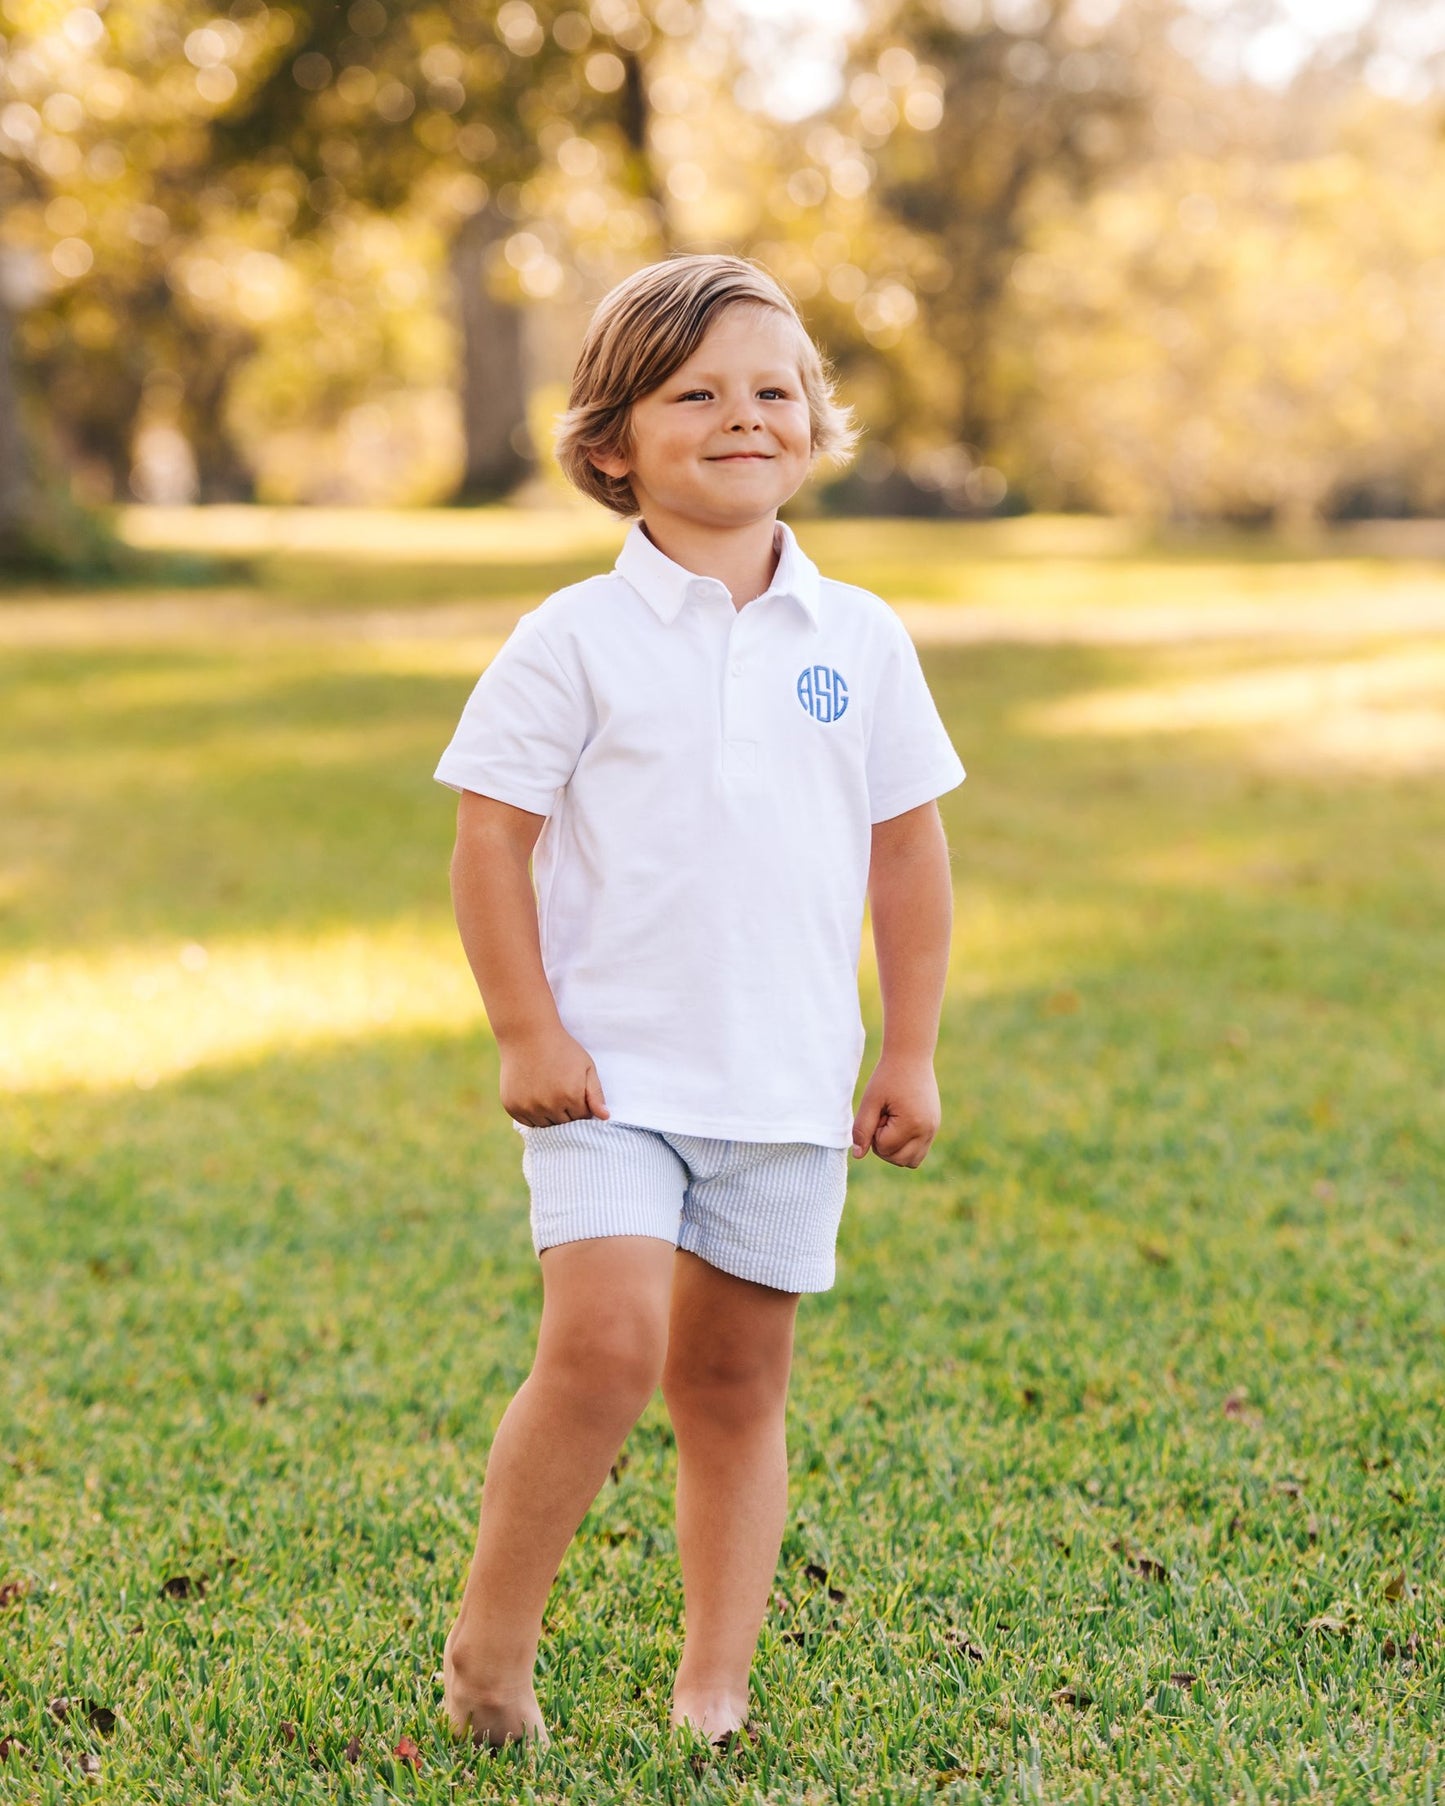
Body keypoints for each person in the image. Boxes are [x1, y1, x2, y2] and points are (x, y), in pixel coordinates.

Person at [434, 253, 965, 1752]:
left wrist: (909, 1048)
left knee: (735, 1382)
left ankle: (712, 1686)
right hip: (611, 1077)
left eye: (773, 390)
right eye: (697, 393)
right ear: (612, 443)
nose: (745, 416)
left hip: (787, 1086)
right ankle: (491, 1649)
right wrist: (528, 1030)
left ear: (812, 423)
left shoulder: (856, 639)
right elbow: (491, 835)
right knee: (602, 1345)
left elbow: (907, 848)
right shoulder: (575, 638)